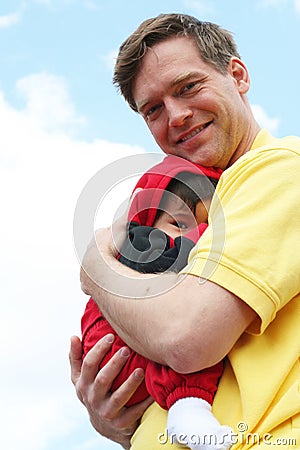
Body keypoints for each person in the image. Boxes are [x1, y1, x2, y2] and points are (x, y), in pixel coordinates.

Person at [70, 13, 300, 450]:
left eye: (188, 87)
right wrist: (121, 422)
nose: (175, 116)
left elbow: (187, 339)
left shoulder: (280, 169)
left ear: (237, 75)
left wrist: (96, 265)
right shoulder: (191, 206)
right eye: (153, 109)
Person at [81, 155, 233, 450]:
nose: (195, 233)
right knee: (190, 319)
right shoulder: (142, 244)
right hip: (116, 349)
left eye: (206, 225)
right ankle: (187, 404)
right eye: (177, 223)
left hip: (121, 365)